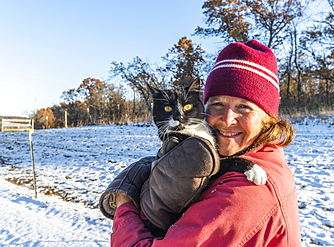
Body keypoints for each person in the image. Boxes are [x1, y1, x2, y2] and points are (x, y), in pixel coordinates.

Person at [109, 40, 301, 246]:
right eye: (217, 104)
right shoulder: (263, 155)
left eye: (244, 107)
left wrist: (124, 206)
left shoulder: (245, 191)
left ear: (267, 117)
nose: (227, 119)